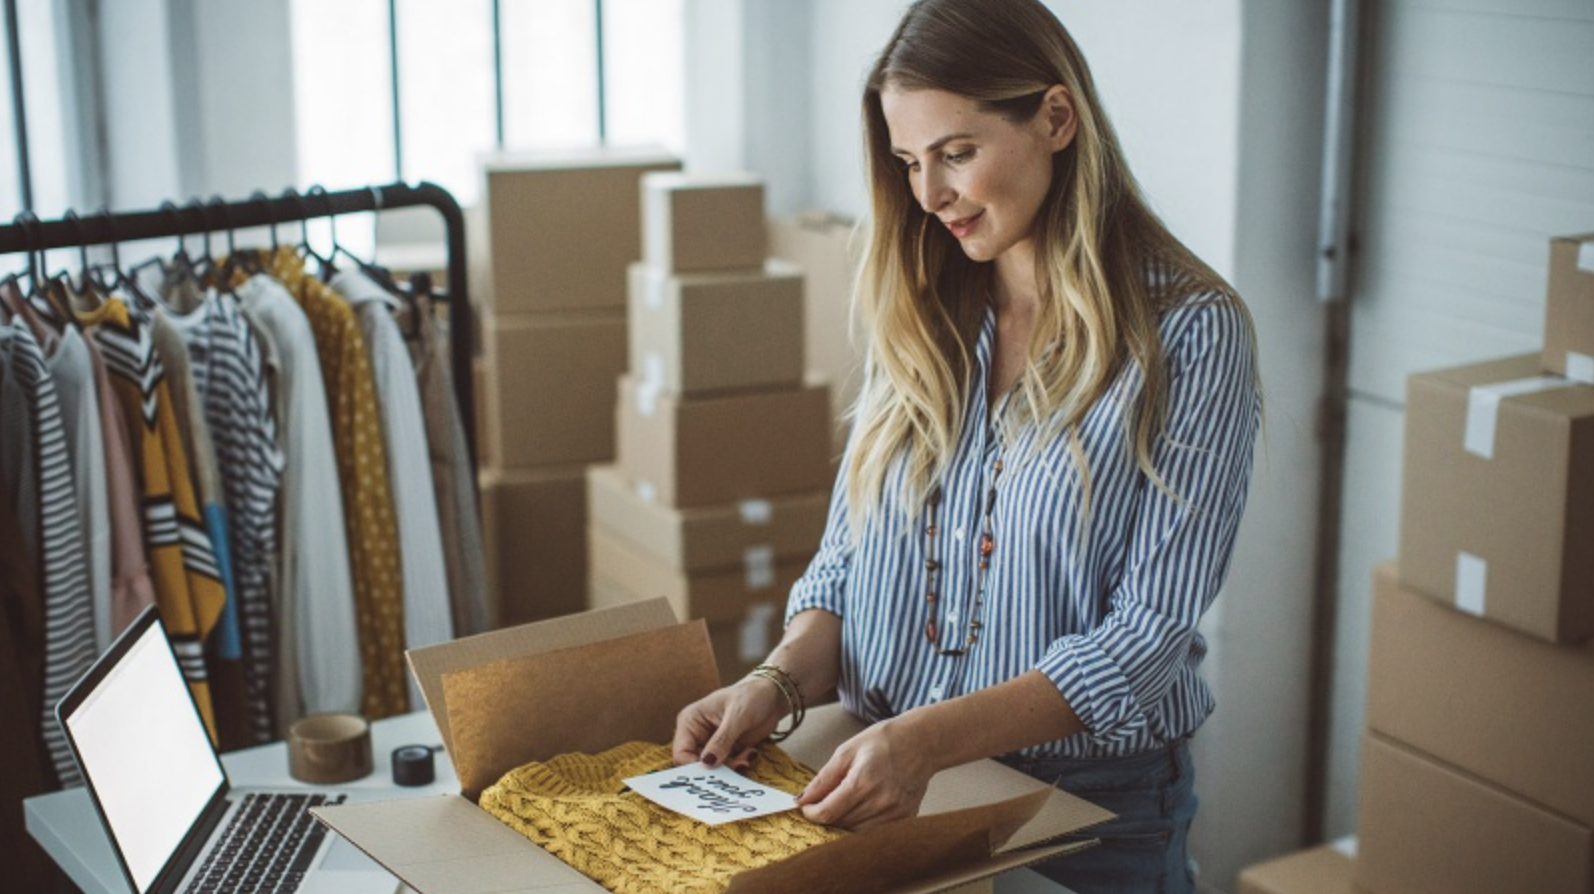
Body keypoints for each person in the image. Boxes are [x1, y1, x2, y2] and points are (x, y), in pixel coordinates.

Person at [672, 0, 1261, 891]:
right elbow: (845, 566)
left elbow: (1145, 638)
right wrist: (777, 685)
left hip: (1086, 814)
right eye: (910, 162)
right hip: (891, 791)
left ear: (1056, 119)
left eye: (956, 153)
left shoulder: (1189, 333)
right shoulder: (922, 312)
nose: (929, 194)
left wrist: (925, 740)